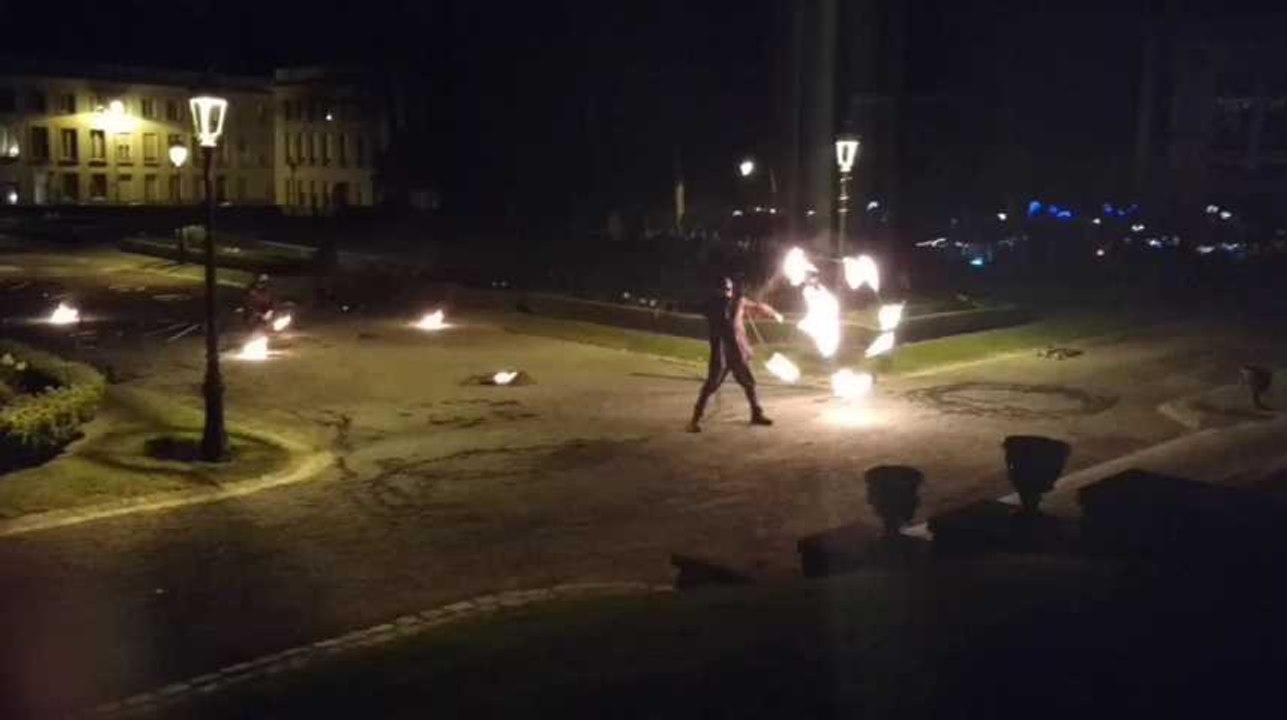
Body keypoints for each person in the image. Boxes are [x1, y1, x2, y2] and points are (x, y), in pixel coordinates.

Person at [688, 276, 783, 433]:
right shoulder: (711, 305)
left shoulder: (739, 302)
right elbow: (691, 306)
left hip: (738, 352)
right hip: (721, 353)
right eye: (723, 289)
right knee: (711, 385)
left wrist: (772, 313)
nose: (727, 293)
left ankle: (756, 414)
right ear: (717, 290)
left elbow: (757, 307)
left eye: (729, 289)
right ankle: (695, 420)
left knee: (749, 383)